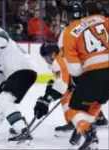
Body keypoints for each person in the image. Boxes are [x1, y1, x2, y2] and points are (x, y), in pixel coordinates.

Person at [57, 1, 109, 149]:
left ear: (66, 16)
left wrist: (80, 80)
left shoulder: (67, 33)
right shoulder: (100, 19)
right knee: (95, 104)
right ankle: (83, 130)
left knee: (73, 108)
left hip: (94, 74)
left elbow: (74, 69)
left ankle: (87, 131)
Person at [34, 41, 108, 137]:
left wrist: (47, 99)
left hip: (92, 80)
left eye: (47, 57)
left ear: (53, 54)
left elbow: (61, 86)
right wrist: (52, 86)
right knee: (86, 98)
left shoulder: (58, 61)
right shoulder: (63, 55)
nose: (46, 61)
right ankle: (99, 118)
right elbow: (63, 77)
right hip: (99, 77)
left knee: (67, 96)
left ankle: (73, 122)